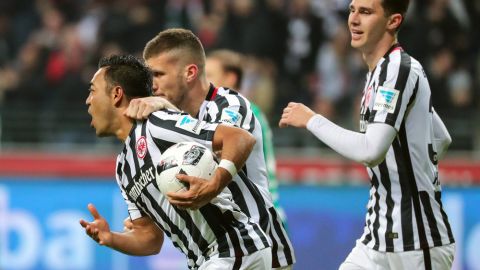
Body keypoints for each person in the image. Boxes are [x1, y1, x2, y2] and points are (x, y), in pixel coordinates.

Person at [279, 0, 455, 269]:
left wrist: (312, 120)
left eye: (366, 12)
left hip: (416, 243)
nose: (354, 19)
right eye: (352, 10)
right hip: (377, 237)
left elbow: (370, 151)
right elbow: (441, 138)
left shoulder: (398, 70)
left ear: (393, 21)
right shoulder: (380, 73)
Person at [124, 28, 295, 269]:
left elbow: (222, 148)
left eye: (159, 74)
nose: (152, 85)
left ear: (190, 72)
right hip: (224, 251)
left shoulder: (230, 105)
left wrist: (166, 110)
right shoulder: (177, 122)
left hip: (259, 245)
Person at [81, 54, 272, 269]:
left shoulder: (157, 124)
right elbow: (150, 239)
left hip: (235, 248)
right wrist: (110, 237)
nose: (88, 100)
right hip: (207, 260)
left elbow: (239, 138)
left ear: (116, 94)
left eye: (92, 91)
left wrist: (215, 184)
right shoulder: (123, 167)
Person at [205, 49, 287, 223]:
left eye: (209, 74)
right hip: (252, 213)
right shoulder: (225, 110)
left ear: (230, 78)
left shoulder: (242, 111)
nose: (204, 82)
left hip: (261, 216)